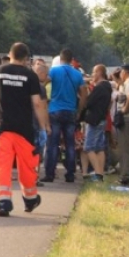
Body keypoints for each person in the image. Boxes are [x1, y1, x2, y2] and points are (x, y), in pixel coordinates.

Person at [0, 42, 50, 217]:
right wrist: (42, 128)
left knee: (2, 164)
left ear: (10, 54)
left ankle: (3, 202)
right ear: (26, 58)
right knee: (27, 165)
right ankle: (30, 199)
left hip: (3, 126)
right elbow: (37, 103)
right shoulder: (30, 75)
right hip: (24, 129)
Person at [41, 48, 88, 183]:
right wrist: (79, 109)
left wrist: (44, 101)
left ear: (60, 59)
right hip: (70, 111)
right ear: (71, 60)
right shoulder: (77, 74)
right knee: (70, 144)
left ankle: (50, 174)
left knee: (52, 144)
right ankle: (70, 174)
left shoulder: (54, 71)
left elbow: (43, 84)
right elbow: (84, 94)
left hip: (54, 110)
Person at [81, 65, 113, 182]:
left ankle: (98, 174)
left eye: (94, 72)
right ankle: (100, 174)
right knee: (99, 148)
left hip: (95, 120)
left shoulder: (99, 87)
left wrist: (86, 92)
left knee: (88, 147)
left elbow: (89, 102)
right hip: (102, 119)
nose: (92, 75)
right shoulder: (108, 86)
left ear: (99, 72)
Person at [33, 62, 50, 185]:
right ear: (41, 73)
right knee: (36, 152)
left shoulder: (25, 84)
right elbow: (43, 107)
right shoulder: (40, 88)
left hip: (23, 122)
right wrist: (45, 125)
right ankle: (35, 177)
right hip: (36, 123)